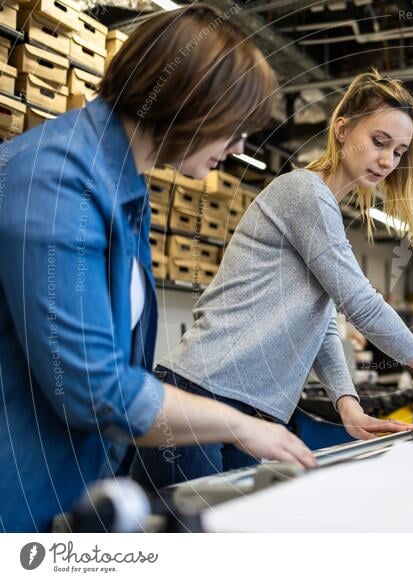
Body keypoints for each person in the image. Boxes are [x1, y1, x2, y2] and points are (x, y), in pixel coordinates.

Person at [0, 4, 315, 533]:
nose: (239, 148)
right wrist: (238, 426)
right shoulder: (58, 181)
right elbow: (92, 387)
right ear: (189, 102)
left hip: (65, 486)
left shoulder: (122, 185)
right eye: (234, 129)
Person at [132, 69, 413, 489]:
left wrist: (347, 403)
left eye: (398, 151)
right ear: (341, 129)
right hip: (200, 395)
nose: (387, 161)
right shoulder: (304, 192)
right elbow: (361, 303)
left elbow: (319, 322)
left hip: (252, 411)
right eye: (379, 142)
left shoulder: (325, 211)